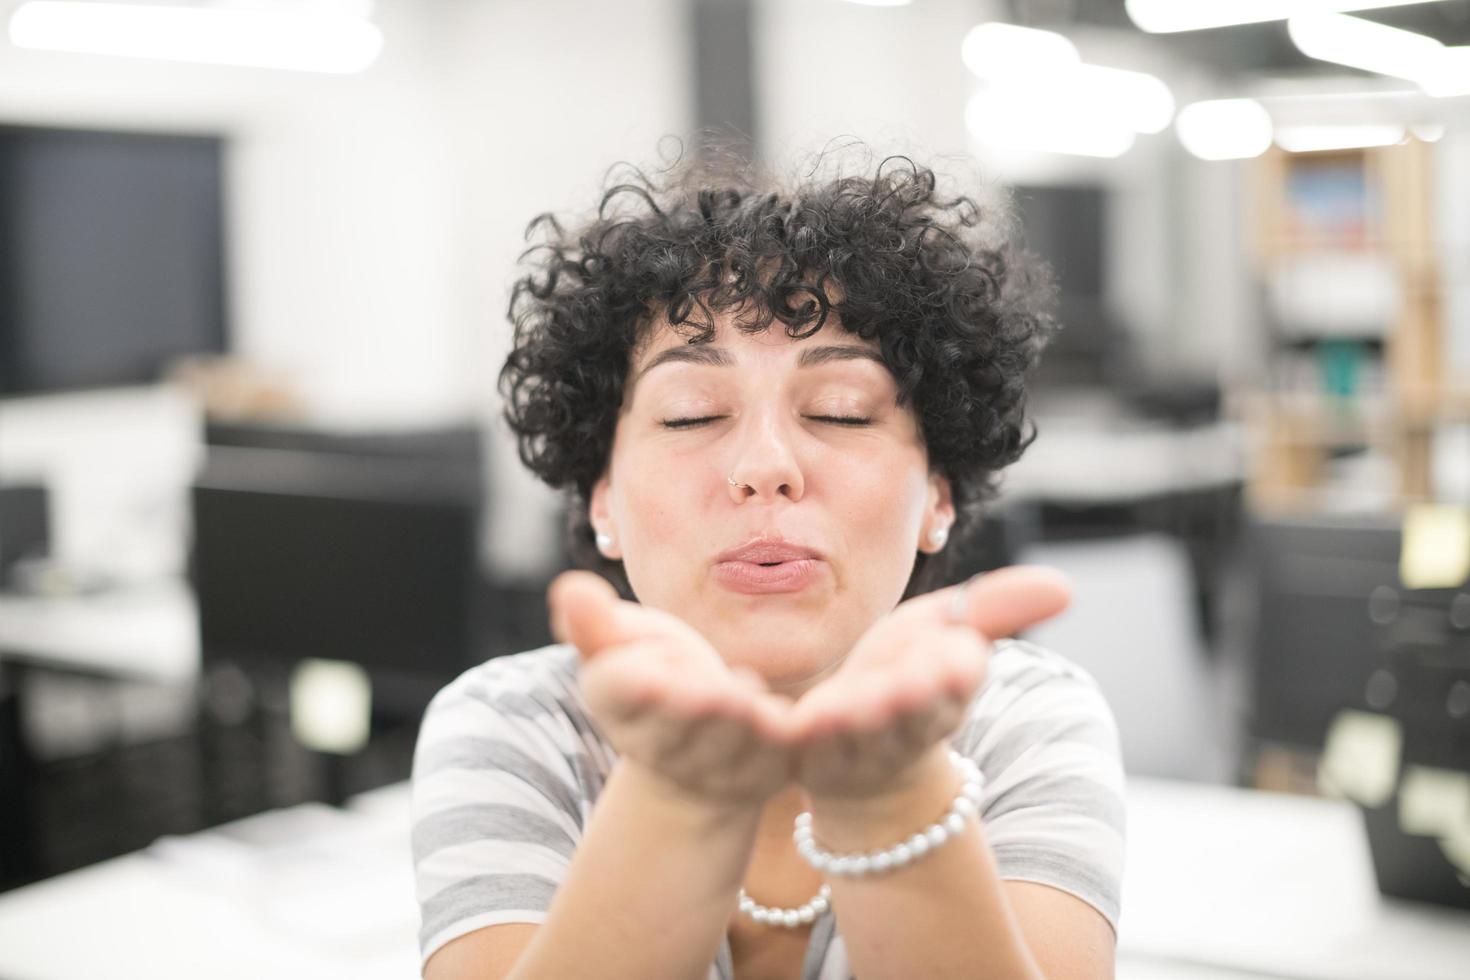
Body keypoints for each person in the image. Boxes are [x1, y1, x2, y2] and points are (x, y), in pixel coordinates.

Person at [411, 146, 1126, 980]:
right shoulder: (518, 728)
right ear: (601, 498)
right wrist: (680, 791)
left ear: (938, 496)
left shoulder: (1017, 719)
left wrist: (889, 796)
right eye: (690, 415)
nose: (764, 464)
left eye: (841, 411)